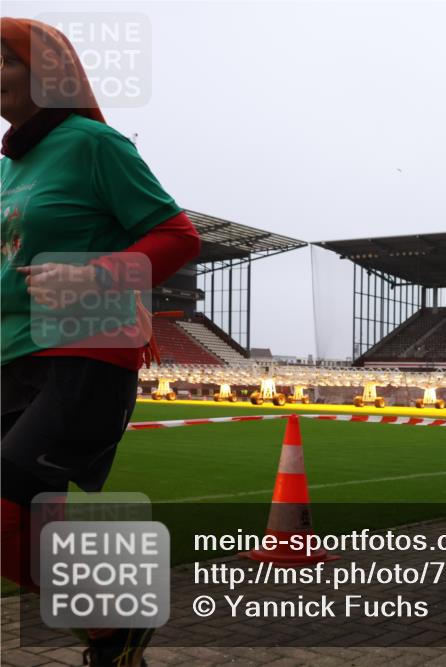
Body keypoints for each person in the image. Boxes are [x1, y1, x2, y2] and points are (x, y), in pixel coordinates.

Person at [1, 18, 201, 667]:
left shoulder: (93, 143)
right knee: (22, 525)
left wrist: (91, 274)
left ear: (47, 73)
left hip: (82, 354)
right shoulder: (12, 165)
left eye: (5, 59)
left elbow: (177, 235)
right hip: (12, 360)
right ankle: (112, 631)